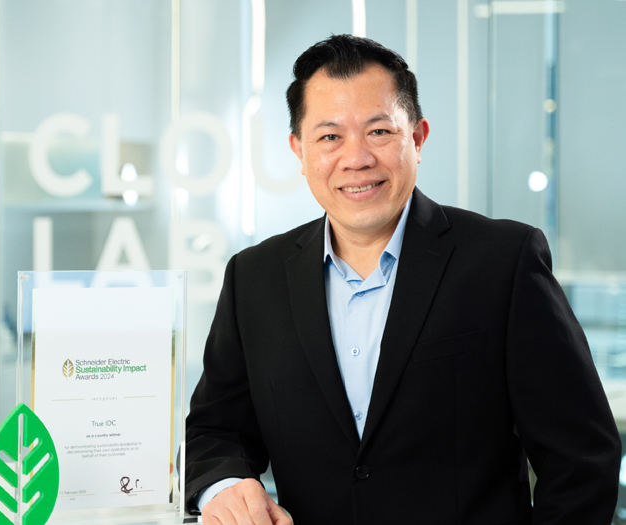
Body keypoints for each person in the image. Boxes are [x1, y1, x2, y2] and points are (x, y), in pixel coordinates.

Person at [184, 34, 621, 524]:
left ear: (417, 138)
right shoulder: (254, 277)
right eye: (329, 137)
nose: (356, 158)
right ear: (299, 151)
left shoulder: (503, 261)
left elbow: (581, 460)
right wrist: (224, 486)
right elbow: (214, 431)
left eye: (379, 131)